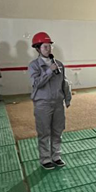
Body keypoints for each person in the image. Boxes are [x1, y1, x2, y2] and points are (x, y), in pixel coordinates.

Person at [28, 32, 72, 170]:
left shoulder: (59, 64)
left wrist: (67, 98)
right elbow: (36, 84)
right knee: (44, 132)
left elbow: (64, 82)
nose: (48, 49)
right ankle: (45, 159)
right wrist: (49, 71)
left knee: (57, 131)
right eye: (45, 47)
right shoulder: (34, 65)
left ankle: (56, 156)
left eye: (49, 46)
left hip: (58, 103)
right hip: (43, 104)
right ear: (38, 48)